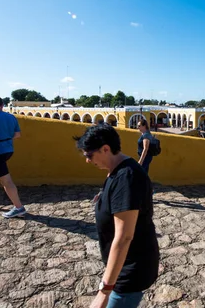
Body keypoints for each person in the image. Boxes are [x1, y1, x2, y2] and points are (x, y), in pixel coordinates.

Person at [74, 124, 159, 308]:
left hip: (130, 272)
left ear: (106, 149)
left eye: (89, 155)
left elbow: (124, 237)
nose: (88, 161)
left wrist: (105, 291)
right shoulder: (116, 171)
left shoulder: (127, 177)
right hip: (123, 269)